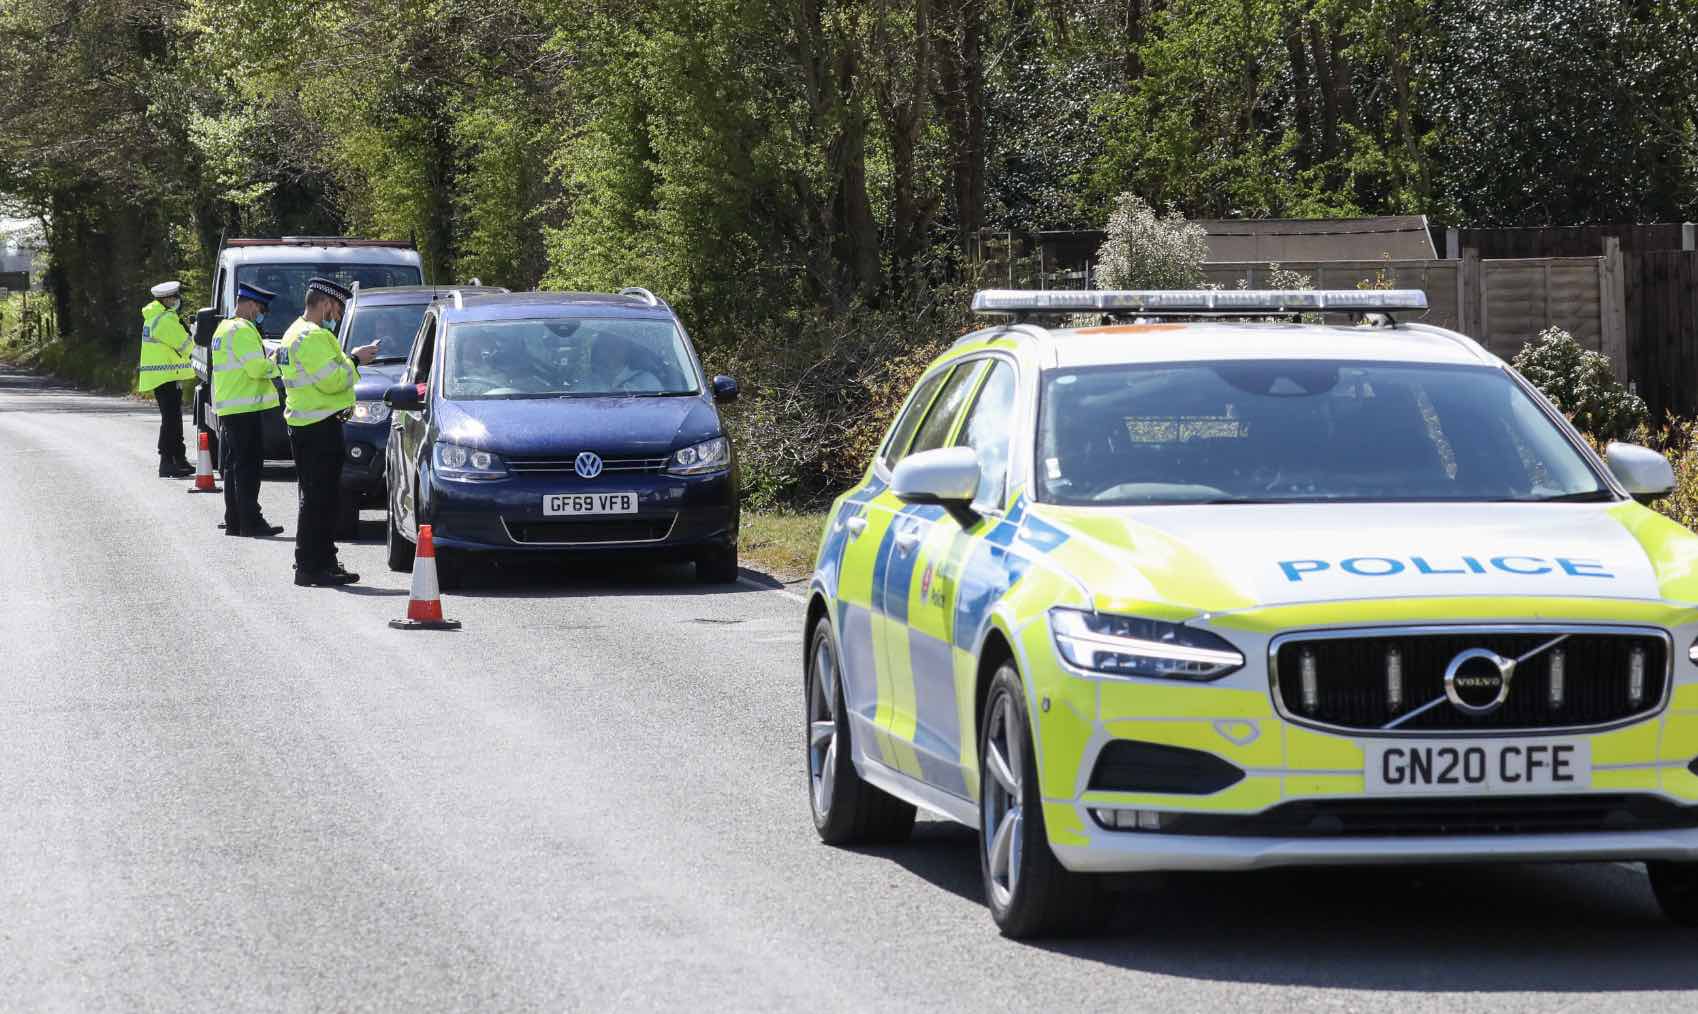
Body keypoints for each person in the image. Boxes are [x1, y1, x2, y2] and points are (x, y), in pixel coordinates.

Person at [279, 277, 377, 587]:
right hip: (318, 427)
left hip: (306, 424)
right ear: (323, 304)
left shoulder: (293, 332)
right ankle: (312, 566)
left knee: (317, 498)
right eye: (336, 307)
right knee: (319, 499)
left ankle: (322, 560)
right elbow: (333, 381)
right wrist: (356, 360)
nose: (338, 313)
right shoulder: (312, 337)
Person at [211, 283, 285, 538]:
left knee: (234, 465)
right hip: (245, 407)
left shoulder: (224, 328)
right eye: (261, 309)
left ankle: (235, 520)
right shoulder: (242, 330)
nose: (261, 314)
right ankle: (250, 521)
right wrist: (277, 364)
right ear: (251, 304)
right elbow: (256, 369)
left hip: (232, 405)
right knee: (248, 468)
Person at [137, 281, 196, 477]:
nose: (177, 301)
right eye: (175, 298)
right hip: (167, 376)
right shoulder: (165, 320)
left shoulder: (154, 317)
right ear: (166, 299)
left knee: (173, 418)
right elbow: (186, 345)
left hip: (162, 376)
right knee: (171, 420)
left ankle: (179, 459)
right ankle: (166, 461)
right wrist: (197, 339)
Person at [589, 335, 661, 392]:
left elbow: (659, 406)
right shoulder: (593, 378)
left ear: (628, 350)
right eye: (606, 345)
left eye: (618, 345)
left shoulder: (647, 380)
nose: (611, 349)